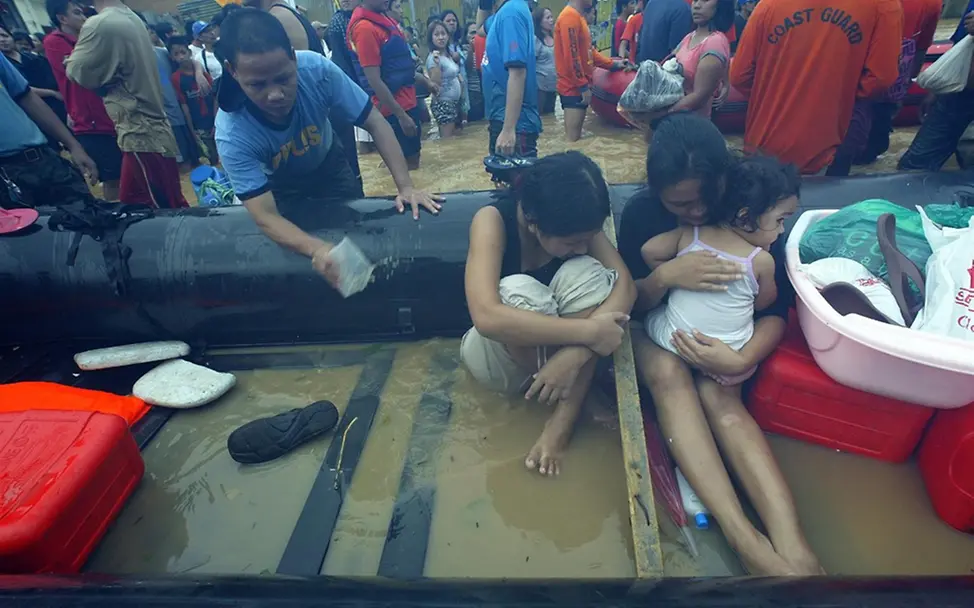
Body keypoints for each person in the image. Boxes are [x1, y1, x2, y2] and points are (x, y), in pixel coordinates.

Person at [618, 113, 821, 575]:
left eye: (703, 199)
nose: (694, 212)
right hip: (659, 331)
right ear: (658, 192)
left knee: (721, 397)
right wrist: (666, 277)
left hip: (727, 345)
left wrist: (741, 357)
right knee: (670, 375)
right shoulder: (644, 216)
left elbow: (774, 312)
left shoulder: (747, 206)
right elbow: (629, 305)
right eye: (680, 203)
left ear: (724, 182)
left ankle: (794, 547)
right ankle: (743, 538)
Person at [213, 9, 442, 286]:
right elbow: (265, 215)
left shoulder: (317, 71)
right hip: (278, 188)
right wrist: (316, 249)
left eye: (283, 78)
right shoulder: (232, 132)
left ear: (294, 59)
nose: (275, 94)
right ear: (232, 71)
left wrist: (405, 187)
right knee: (300, 266)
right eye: (257, 85)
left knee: (359, 240)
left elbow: (375, 122)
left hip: (328, 166)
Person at [462, 151, 636, 477]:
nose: (583, 246)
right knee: (516, 290)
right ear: (533, 222)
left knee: (590, 273)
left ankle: (562, 420)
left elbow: (625, 287)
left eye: (588, 238)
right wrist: (588, 336)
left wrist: (572, 356)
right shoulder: (492, 221)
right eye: (573, 242)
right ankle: (578, 399)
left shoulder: (578, 221)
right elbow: (485, 316)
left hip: (564, 360)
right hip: (499, 361)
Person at [641, 154, 797, 431]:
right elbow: (765, 303)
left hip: (675, 340)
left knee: (650, 318)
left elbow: (649, 251)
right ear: (745, 217)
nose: (782, 230)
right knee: (728, 400)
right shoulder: (760, 260)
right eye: (780, 220)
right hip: (728, 352)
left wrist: (673, 272)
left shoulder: (691, 234)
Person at [730, 0, 902, 175]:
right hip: (827, 147)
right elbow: (881, 78)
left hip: (763, 144)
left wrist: (774, 94)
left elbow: (738, 76)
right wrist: (837, 95)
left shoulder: (768, 5)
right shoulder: (883, 5)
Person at [65, 0, 187, 209]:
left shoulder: (100, 23)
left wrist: (69, 61)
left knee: (160, 212)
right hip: (150, 129)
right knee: (149, 204)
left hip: (138, 130)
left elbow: (78, 72)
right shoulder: (130, 17)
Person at [44, 0, 122, 201]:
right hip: (91, 123)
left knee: (125, 173)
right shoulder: (55, 41)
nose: (84, 17)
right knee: (112, 178)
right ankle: (116, 217)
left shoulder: (87, 39)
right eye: (77, 13)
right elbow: (82, 70)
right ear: (62, 19)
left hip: (110, 115)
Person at [0, 53, 96, 208]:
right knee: (33, 231)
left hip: (43, 158)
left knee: (88, 215)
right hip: (5, 176)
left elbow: (26, 97)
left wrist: (73, 146)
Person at [347, 0, 423, 169]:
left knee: (412, 161)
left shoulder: (384, 19)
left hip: (406, 101)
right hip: (394, 109)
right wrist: (401, 115)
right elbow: (373, 79)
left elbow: (401, 65)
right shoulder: (364, 29)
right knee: (407, 165)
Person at [897, 7, 974, 171]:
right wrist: (937, 89)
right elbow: (962, 46)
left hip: (961, 95)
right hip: (958, 93)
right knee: (913, 168)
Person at [554, 0, 625, 142]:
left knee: (576, 139)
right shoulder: (569, 17)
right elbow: (572, 57)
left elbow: (588, 52)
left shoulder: (577, 17)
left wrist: (613, 65)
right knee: (572, 141)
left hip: (578, 86)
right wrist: (583, 86)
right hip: (573, 88)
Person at [481, 0, 542, 157]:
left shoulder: (511, 13)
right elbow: (480, 28)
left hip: (514, 122)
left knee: (517, 180)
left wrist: (508, 129)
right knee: (503, 179)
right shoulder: (502, 14)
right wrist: (483, 5)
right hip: (503, 115)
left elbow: (517, 72)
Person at [0, 24, 68, 148]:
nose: (2, 40)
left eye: (4, 35)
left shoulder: (33, 58)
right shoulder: (5, 68)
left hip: (58, 106)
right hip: (33, 114)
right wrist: (51, 92)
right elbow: (23, 89)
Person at [665, 0, 733, 118]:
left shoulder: (715, 42)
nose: (697, 6)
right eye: (695, 0)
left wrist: (661, 114)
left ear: (720, 5)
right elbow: (665, 66)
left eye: (705, 0)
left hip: (691, 124)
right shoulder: (689, 37)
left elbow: (699, 97)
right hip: (674, 121)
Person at [168, 36, 218, 166]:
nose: (181, 57)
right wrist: (192, 130)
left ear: (189, 53)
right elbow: (184, 106)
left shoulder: (201, 72)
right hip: (199, 123)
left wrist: (217, 118)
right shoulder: (176, 78)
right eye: (176, 54)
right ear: (172, 57)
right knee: (211, 155)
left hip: (213, 117)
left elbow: (214, 96)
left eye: (183, 52)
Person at [426, 20, 464, 138]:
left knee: (454, 141)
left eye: (443, 34)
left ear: (448, 36)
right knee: (447, 141)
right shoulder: (434, 58)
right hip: (443, 104)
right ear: (431, 38)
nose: (441, 37)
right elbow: (435, 86)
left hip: (453, 103)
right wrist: (436, 64)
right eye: (436, 34)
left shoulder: (448, 55)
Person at [533, 7, 556, 115]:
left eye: (552, 17)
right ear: (539, 21)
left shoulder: (554, 37)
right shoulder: (535, 39)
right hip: (540, 87)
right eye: (548, 18)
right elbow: (531, 62)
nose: (552, 20)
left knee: (551, 117)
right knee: (540, 115)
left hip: (553, 85)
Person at [464, 21, 485, 122]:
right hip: (473, 94)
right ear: (466, 36)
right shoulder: (463, 51)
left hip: (485, 93)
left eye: (477, 32)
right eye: (472, 33)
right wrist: (471, 50)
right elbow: (466, 68)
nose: (475, 35)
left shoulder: (486, 47)